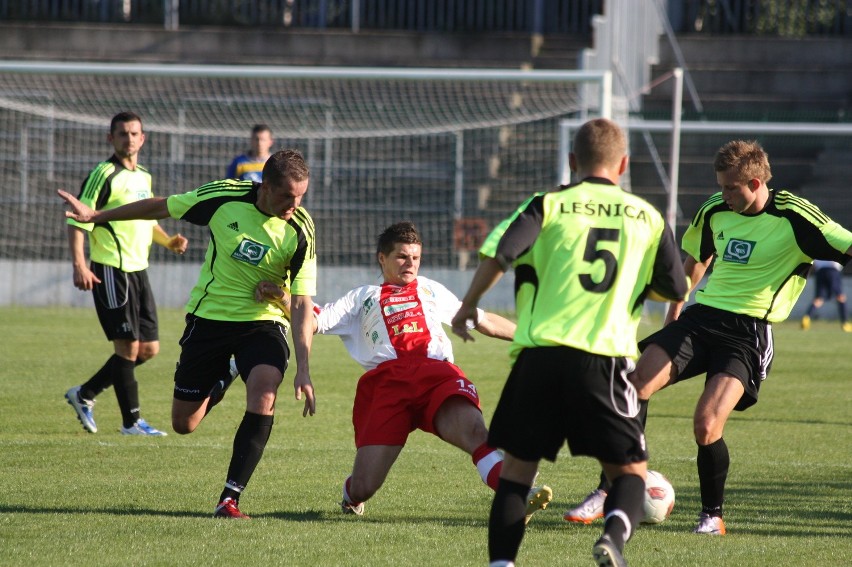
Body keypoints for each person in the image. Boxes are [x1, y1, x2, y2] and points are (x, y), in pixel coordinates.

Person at [565, 139, 852, 537]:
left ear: (755, 182)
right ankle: (609, 488)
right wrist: (673, 317)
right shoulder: (715, 209)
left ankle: (712, 516)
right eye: (720, 185)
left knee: (706, 424)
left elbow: (847, 246)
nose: (723, 194)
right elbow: (696, 261)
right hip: (700, 319)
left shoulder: (794, 216)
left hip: (747, 335)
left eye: (731, 188)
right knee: (634, 385)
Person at [452, 118, 688, 567]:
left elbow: (501, 253)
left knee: (518, 475)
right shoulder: (649, 218)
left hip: (540, 358)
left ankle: (501, 564)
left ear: (572, 161)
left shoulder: (550, 204)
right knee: (631, 473)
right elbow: (676, 287)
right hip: (605, 360)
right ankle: (613, 540)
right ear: (623, 164)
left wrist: (468, 306)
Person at [59, 149, 318, 519]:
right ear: (265, 186)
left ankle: (229, 498)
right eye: (286, 196)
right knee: (184, 424)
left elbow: (304, 303)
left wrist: (304, 369)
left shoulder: (301, 228)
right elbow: (161, 208)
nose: (295, 205)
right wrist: (97, 216)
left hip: (263, 323)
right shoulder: (224, 197)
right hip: (209, 320)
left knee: (264, 392)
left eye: (301, 197)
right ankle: (226, 373)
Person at [306, 221, 552, 523]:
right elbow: (315, 319)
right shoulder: (362, 297)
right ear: (382, 258)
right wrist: (282, 298)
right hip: (389, 384)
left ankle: (516, 495)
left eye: (415, 257)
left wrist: (534, 338)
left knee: (477, 434)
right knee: (365, 486)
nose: (410, 264)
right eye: (401, 257)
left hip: (437, 376)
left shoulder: (430, 289)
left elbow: (483, 320)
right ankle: (351, 495)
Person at [64, 111, 188, 437]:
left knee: (148, 349)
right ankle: (131, 422)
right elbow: (79, 219)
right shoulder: (103, 174)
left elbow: (147, 219)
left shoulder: (143, 176)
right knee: (128, 346)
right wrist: (79, 264)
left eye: (134, 133)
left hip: (138, 271)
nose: (129, 139)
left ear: (143, 138)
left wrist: (168, 241)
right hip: (110, 268)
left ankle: (85, 393)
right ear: (111, 138)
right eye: (122, 134)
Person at [801, 260, 850, 332]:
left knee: (819, 299)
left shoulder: (817, 248)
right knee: (840, 297)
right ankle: (845, 323)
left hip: (820, 271)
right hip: (833, 271)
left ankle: (806, 318)